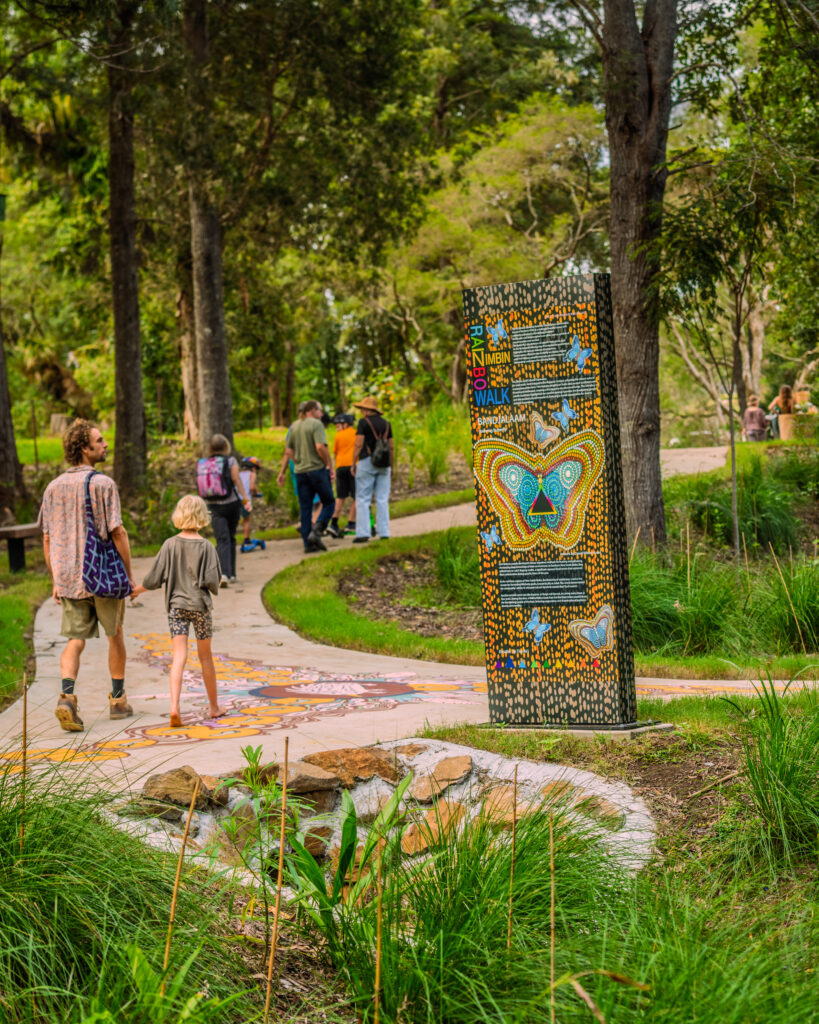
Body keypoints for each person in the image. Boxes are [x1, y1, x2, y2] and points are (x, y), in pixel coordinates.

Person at [38, 419, 135, 732]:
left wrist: (55, 579)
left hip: (68, 575)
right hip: (102, 574)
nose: (105, 444)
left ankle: (67, 696)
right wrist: (129, 576)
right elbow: (117, 531)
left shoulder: (52, 488)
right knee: (114, 633)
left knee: (75, 639)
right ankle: (118, 701)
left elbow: (47, 538)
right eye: (99, 440)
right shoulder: (103, 484)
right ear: (84, 448)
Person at [130, 495, 226, 728]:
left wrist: (137, 591)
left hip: (176, 608)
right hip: (200, 608)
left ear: (179, 515)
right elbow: (214, 581)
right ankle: (214, 707)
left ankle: (174, 708)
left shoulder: (169, 545)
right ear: (203, 517)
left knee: (178, 657)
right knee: (205, 657)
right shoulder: (206, 547)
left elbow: (154, 578)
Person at [277, 399, 335, 552]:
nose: (321, 414)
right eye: (320, 410)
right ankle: (317, 531)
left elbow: (288, 451)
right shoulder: (316, 424)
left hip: (300, 472)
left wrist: (298, 462)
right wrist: (327, 463)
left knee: (305, 508)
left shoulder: (294, 426)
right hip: (316, 469)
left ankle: (307, 545)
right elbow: (320, 447)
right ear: (312, 410)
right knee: (329, 502)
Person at [203, 434, 251, 585]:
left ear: (210, 447)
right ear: (226, 446)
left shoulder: (205, 462)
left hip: (213, 504)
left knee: (221, 538)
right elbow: (236, 479)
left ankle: (223, 573)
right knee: (230, 537)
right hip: (231, 503)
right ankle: (230, 574)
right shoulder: (230, 460)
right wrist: (245, 498)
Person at [351, 396, 394, 544]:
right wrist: (391, 465)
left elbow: (358, 444)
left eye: (363, 408)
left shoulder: (363, 423)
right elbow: (391, 446)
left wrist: (353, 462)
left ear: (367, 410)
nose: (361, 411)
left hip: (366, 462)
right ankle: (384, 532)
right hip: (384, 464)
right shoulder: (387, 424)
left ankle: (363, 533)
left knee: (363, 498)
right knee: (382, 499)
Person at [327, 412, 357, 538]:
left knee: (340, 497)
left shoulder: (338, 436)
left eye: (338, 425)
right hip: (353, 467)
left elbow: (335, 452)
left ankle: (333, 523)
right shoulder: (356, 433)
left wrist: (333, 468)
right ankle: (351, 523)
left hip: (340, 467)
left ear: (346, 424)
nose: (337, 427)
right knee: (358, 496)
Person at [239, 456, 264, 550]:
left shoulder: (239, 474)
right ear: (253, 468)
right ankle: (247, 540)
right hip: (246, 501)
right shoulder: (252, 474)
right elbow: (252, 487)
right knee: (247, 519)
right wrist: (256, 494)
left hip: (237, 500)